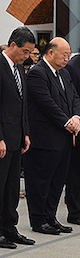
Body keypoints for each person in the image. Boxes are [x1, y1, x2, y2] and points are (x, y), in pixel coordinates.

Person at [0, 27, 36, 249]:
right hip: (1, 141)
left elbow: (22, 104)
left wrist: (25, 132)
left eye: (30, 53)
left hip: (16, 138)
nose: (27, 56)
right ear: (12, 45)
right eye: (25, 51)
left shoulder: (18, 69)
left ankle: (10, 227)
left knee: (13, 187)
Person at [24, 38, 80, 235]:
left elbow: (74, 97)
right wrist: (67, 122)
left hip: (63, 139)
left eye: (69, 54)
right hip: (44, 139)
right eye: (64, 54)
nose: (67, 58)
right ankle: (39, 221)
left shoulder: (64, 73)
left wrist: (76, 116)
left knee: (57, 182)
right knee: (41, 182)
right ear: (50, 53)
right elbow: (46, 103)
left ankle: (51, 217)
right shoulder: (37, 73)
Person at [65, 53, 80, 225]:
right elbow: (72, 99)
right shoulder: (73, 67)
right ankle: (75, 211)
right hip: (77, 126)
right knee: (75, 172)